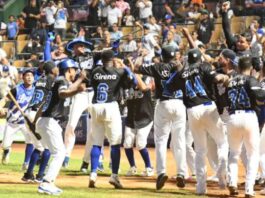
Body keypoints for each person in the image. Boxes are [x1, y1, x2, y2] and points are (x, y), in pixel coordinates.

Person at [163, 48, 229, 195]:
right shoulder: (203, 66)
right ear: (200, 58)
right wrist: (224, 78)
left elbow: (167, 87)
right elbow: (216, 79)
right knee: (222, 142)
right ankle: (222, 173)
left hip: (191, 111)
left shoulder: (180, 73)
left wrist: (179, 73)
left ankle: (201, 187)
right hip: (207, 106)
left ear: (188, 59)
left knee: (200, 150)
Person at [134, 46, 187, 190]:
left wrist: (140, 54)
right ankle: (182, 173)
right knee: (179, 141)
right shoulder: (180, 66)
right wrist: (180, 65)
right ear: (174, 55)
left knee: (161, 141)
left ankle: (161, 172)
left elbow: (136, 68)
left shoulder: (157, 66)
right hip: (179, 104)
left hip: (163, 104)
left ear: (162, 56)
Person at [88, 50, 139, 189]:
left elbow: (91, 82)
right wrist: (125, 65)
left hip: (96, 106)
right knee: (115, 143)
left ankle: (93, 174)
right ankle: (114, 176)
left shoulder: (95, 71)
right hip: (110, 106)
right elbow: (134, 82)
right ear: (112, 59)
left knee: (97, 143)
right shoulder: (119, 71)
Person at [36, 59, 86, 195]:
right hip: (49, 121)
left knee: (58, 152)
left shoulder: (58, 81)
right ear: (69, 70)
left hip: (46, 121)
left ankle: (48, 182)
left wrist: (79, 80)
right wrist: (77, 89)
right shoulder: (62, 81)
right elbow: (63, 93)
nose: (75, 71)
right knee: (59, 153)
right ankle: (46, 182)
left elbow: (43, 105)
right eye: (74, 69)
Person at [225, 57, 265, 198]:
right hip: (249, 116)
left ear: (238, 67)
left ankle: (233, 183)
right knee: (252, 154)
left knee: (234, 153)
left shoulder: (230, 81)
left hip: (232, 117)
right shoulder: (250, 79)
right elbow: (261, 96)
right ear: (251, 68)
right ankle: (249, 189)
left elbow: (224, 101)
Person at [22, 61, 59, 183]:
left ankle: (28, 175)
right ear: (51, 70)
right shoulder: (51, 80)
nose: (57, 69)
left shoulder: (39, 80)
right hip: (36, 114)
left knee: (39, 146)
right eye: (55, 68)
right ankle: (40, 176)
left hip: (28, 112)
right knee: (46, 147)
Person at [63, 38, 94, 168]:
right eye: (78, 46)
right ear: (73, 48)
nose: (80, 48)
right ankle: (65, 156)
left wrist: (113, 48)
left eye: (82, 45)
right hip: (79, 94)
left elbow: (108, 54)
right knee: (71, 125)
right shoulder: (71, 62)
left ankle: (87, 161)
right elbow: (67, 76)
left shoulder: (93, 56)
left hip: (93, 93)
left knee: (93, 130)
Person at [123, 58, 154, 177]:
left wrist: (133, 71)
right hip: (131, 117)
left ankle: (149, 167)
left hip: (145, 117)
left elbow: (144, 87)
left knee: (140, 144)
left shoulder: (147, 80)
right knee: (127, 143)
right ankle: (132, 167)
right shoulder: (128, 81)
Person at [0, 69, 35, 169]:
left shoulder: (35, 91)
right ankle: (7, 150)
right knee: (5, 145)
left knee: (30, 141)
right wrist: (0, 107)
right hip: (12, 122)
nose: (29, 77)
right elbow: (5, 99)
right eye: (27, 75)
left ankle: (26, 163)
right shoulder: (16, 89)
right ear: (23, 77)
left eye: (31, 76)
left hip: (26, 122)